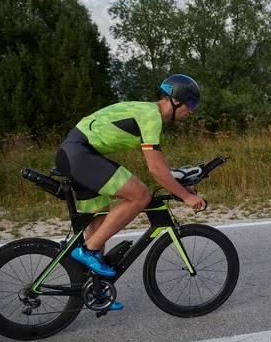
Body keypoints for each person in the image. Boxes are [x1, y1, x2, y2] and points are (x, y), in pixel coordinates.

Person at [55, 74, 206, 310]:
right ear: (176, 100)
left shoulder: (150, 115)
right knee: (141, 195)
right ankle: (88, 250)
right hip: (80, 154)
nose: (192, 110)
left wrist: (182, 187)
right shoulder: (152, 116)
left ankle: (95, 289)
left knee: (99, 221)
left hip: (78, 154)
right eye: (192, 103)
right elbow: (155, 170)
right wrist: (186, 197)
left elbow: (161, 163)